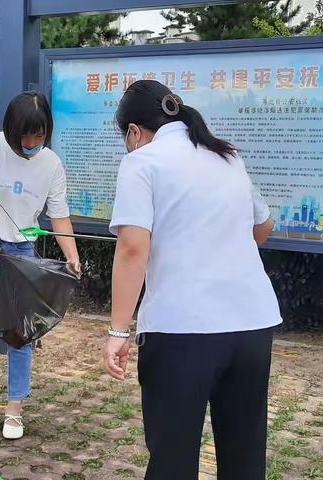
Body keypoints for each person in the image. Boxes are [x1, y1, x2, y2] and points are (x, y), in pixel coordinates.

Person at [103, 80, 281, 480]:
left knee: (173, 457)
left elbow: (133, 250)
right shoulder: (226, 156)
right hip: (252, 327)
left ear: (134, 131)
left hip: (183, 331)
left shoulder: (142, 162)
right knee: (244, 453)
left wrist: (118, 330)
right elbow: (263, 227)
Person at [0, 91, 80, 445]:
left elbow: (59, 215)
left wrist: (71, 254)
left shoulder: (51, 164)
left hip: (22, 253)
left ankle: (14, 410)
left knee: (20, 335)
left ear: (47, 131)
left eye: (38, 135)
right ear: (9, 128)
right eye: (23, 135)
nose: (30, 143)